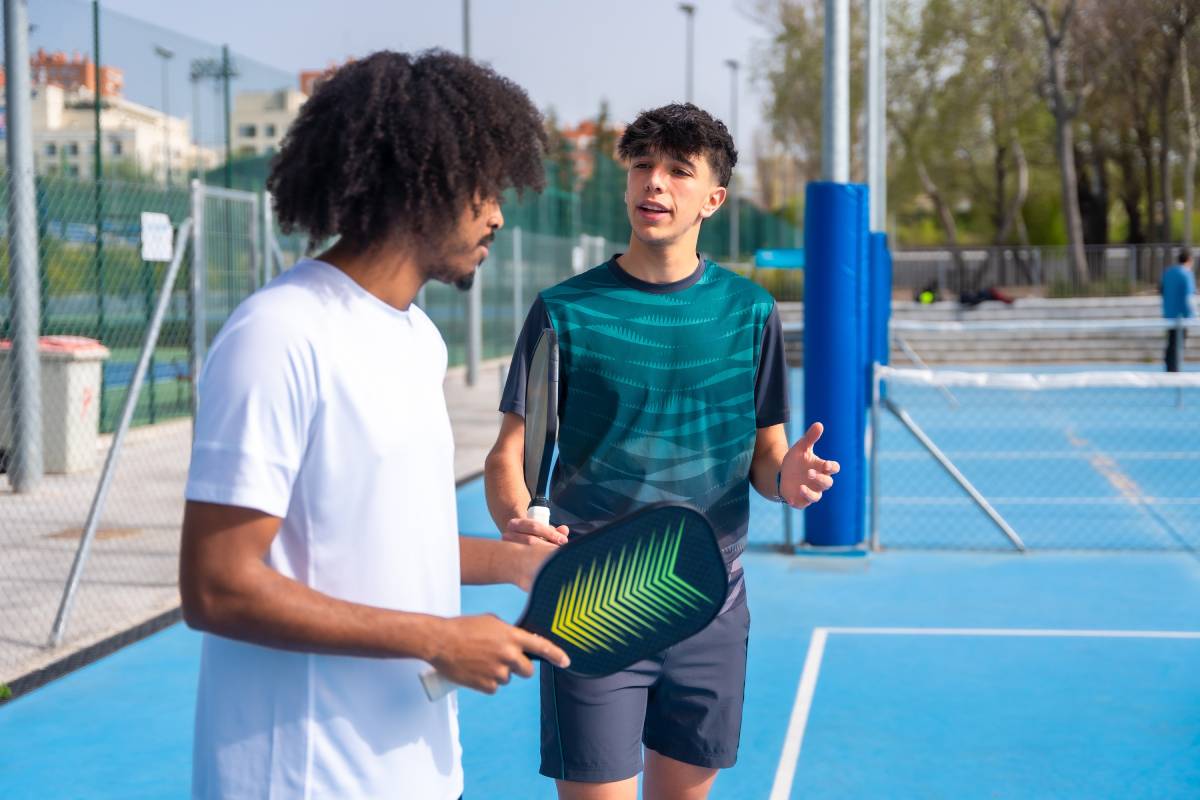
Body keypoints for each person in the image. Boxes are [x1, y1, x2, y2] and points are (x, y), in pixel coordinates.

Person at [179, 51, 569, 800]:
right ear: (415, 184)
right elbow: (216, 584)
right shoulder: (279, 334)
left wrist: (514, 564)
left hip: (418, 771)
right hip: (302, 781)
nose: (496, 214)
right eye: (482, 187)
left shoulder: (417, 337)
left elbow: (373, 537)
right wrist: (438, 636)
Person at [484, 103, 839, 800]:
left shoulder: (751, 312)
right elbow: (510, 451)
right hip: (594, 601)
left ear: (713, 198)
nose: (656, 183)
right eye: (643, 166)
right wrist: (516, 517)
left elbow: (765, 454)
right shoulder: (564, 310)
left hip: (711, 602)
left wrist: (786, 478)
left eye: (679, 170)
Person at [1162, 248, 1197, 372]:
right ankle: (1174, 369)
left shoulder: (1168, 273)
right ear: (1189, 260)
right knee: (1178, 343)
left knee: (1171, 341)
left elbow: (1162, 291)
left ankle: (1169, 366)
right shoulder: (1186, 274)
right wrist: (1193, 315)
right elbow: (1189, 296)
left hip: (1168, 313)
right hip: (1182, 315)